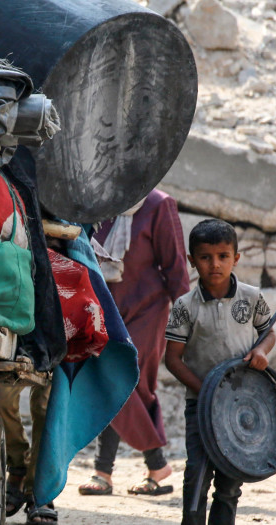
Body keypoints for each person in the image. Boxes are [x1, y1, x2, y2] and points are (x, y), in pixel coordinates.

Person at [0, 246, 109, 525]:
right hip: (12, 296)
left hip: (59, 302)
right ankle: (16, 465)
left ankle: (38, 492)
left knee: (47, 405)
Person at [164, 218, 275, 525]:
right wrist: (207, 391)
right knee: (197, 473)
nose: (215, 264)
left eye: (223, 256)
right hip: (199, 405)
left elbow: (268, 333)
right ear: (192, 260)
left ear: (235, 258)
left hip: (240, 404)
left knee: (229, 480)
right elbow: (172, 359)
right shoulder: (184, 306)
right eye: (205, 257)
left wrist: (261, 351)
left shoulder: (252, 297)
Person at [79, 190, 190, 497]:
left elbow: (175, 266)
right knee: (112, 384)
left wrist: (187, 322)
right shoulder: (97, 199)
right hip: (103, 307)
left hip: (147, 310)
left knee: (123, 383)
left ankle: (129, 467)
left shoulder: (158, 204)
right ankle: (137, 470)